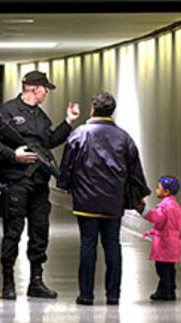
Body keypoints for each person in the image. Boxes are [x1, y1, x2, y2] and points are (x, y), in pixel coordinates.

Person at [0, 70, 80, 300]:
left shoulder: (41, 117)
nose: (46, 93)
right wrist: (12, 155)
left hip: (38, 184)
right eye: (45, 89)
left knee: (39, 232)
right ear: (35, 89)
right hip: (15, 182)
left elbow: (49, 141)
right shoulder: (6, 112)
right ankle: (8, 282)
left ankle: (36, 281)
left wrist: (68, 122)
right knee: (13, 232)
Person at [57, 91, 149, 306]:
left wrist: (66, 185)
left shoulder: (79, 134)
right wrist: (138, 196)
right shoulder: (124, 137)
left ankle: (86, 295)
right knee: (113, 246)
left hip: (86, 201)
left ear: (93, 109)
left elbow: (67, 165)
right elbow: (134, 170)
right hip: (113, 201)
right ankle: (113, 295)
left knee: (87, 245)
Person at [136, 176, 181, 301]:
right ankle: (166, 290)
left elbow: (156, 217)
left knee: (161, 268)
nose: (156, 190)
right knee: (170, 268)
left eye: (158, 188)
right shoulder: (176, 206)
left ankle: (167, 291)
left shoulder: (165, 207)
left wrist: (143, 210)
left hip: (164, 242)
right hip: (174, 241)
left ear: (166, 192)